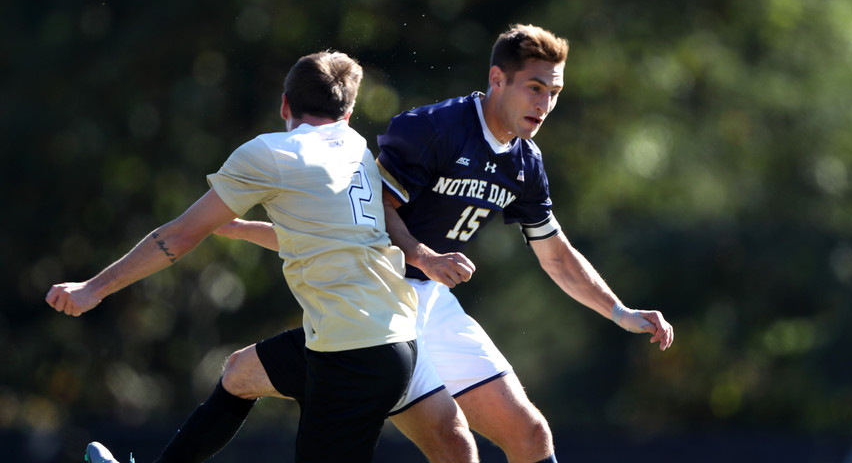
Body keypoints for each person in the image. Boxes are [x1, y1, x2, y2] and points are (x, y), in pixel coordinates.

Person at [114, 24, 675, 463]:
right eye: (534, 87)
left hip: (429, 305)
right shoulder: (431, 129)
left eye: (553, 92)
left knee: (527, 435)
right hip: (382, 305)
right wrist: (423, 255)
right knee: (447, 442)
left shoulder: (527, 162)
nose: (545, 103)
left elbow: (555, 251)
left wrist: (619, 311)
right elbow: (367, 218)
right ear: (496, 79)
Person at [47, 51, 476, 463]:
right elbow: (323, 238)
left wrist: (93, 288)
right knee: (240, 374)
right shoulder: (355, 147)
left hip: (353, 355)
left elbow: (177, 237)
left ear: (284, 103)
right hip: (384, 338)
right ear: (347, 112)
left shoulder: (271, 153)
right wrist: (238, 229)